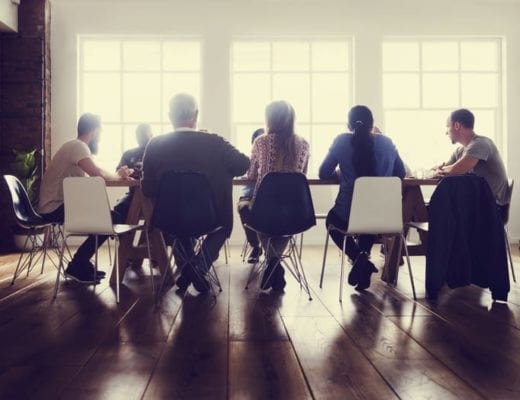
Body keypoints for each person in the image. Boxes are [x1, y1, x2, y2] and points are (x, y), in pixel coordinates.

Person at [141, 93, 250, 293]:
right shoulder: (215, 142)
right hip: (210, 217)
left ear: (169, 116)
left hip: (169, 218)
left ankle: (190, 268)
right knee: (223, 227)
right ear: (196, 114)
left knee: (177, 225)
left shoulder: (155, 144)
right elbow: (243, 164)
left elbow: (147, 188)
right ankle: (198, 267)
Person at [38, 113, 134, 283]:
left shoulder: (75, 146)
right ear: (95, 131)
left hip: (56, 206)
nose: (100, 136)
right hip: (54, 208)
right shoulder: (78, 147)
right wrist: (119, 176)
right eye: (100, 131)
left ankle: (80, 264)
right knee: (111, 218)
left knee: (110, 217)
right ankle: (78, 264)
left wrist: (117, 175)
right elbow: (97, 175)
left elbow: (98, 171)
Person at [319, 105, 406, 291]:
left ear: (348, 124)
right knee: (369, 217)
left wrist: (341, 173)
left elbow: (323, 172)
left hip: (348, 214)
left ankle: (360, 259)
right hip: (384, 215)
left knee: (331, 221)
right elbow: (400, 173)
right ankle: (363, 258)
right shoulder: (387, 142)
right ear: (372, 124)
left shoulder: (342, 141)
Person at [246, 100, 310, 291]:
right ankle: (274, 264)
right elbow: (302, 176)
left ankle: (273, 262)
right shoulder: (304, 144)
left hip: (264, 207)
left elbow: (251, 175)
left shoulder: (261, 141)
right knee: (285, 225)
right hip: (296, 209)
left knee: (252, 214)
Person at [435, 108, 509, 212]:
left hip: (491, 207)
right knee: (439, 206)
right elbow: (446, 168)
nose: (446, 132)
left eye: (447, 126)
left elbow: (455, 170)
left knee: (440, 209)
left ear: (457, 126)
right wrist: (439, 169)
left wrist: (441, 170)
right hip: (476, 204)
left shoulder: (480, 144)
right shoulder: (460, 151)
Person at [114, 123, 153, 219]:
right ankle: (122, 234)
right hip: (133, 194)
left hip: (153, 196)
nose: (142, 137)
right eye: (139, 134)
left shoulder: (157, 153)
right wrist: (125, 174)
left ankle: (157, 234)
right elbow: (118, 174)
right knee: (119, 208)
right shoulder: (128, 154)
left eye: (145, 134)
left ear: (151, 135)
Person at [237, 128, 265, 264]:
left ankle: (271, 248)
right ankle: (255, 246)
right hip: (249, 194)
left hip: (271, 197)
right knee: (244, 208)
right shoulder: (248, 160)